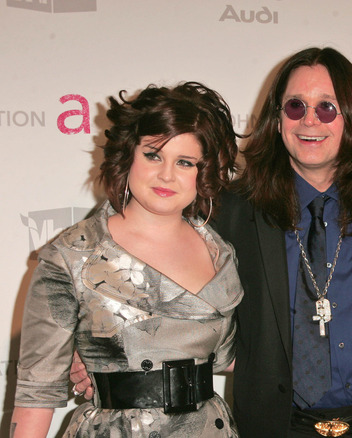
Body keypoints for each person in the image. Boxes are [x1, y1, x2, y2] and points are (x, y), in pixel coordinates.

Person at [12, 82, 243, 437]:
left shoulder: (220, 252)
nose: (167, 174)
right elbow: (36, 393)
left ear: (204, 171)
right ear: (128, 154)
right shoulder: (73, 255)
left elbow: (233, 357)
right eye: (153, 155)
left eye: (184, 162)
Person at [213, 47, 352, 437]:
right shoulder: (234, 208)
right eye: (295, 106)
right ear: (277, 120)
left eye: (327, 107)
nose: (309, 120)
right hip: (280, 427)